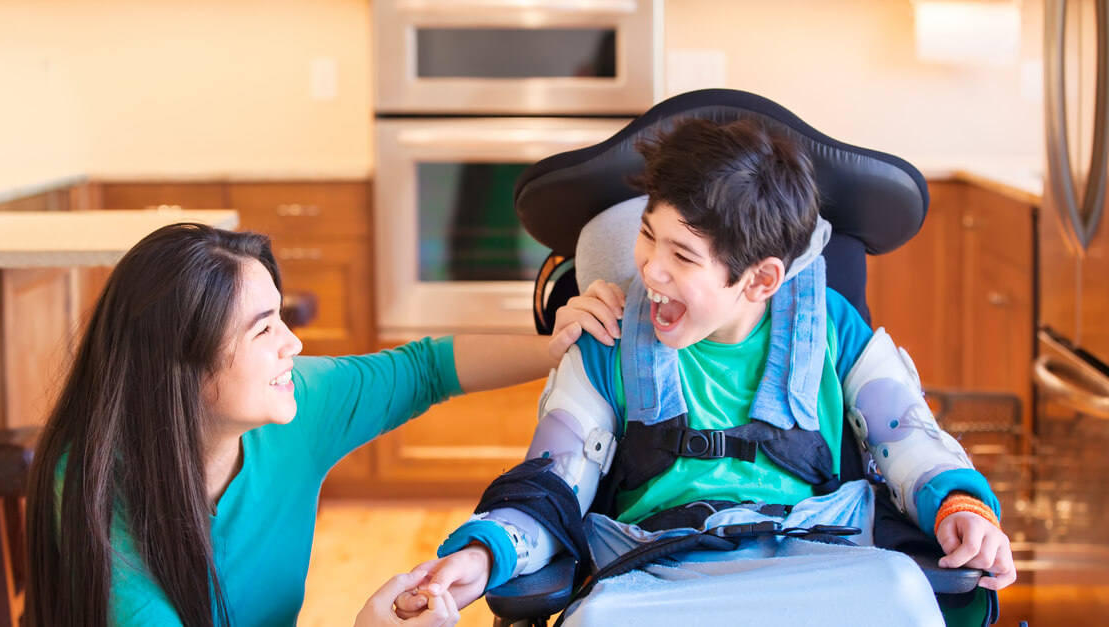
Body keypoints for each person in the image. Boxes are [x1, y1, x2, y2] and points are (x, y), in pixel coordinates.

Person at [397, 118, 1016, 625]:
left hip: (821, 568)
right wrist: (484, 553)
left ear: (762, 278)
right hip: (659, 575)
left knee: (905, 595)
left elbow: (908, 439)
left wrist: (960, 506)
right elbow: (551, 482)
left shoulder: (830, 328)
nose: (650, 270)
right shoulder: (611, 336)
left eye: (682, 255)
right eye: (648, 237)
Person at [23, 222, 591, 627]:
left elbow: (427, 368)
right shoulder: (97, 487)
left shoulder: (291, 410)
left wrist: (565, 350)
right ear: (181, 365)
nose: (292, 344)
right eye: (263, 329)